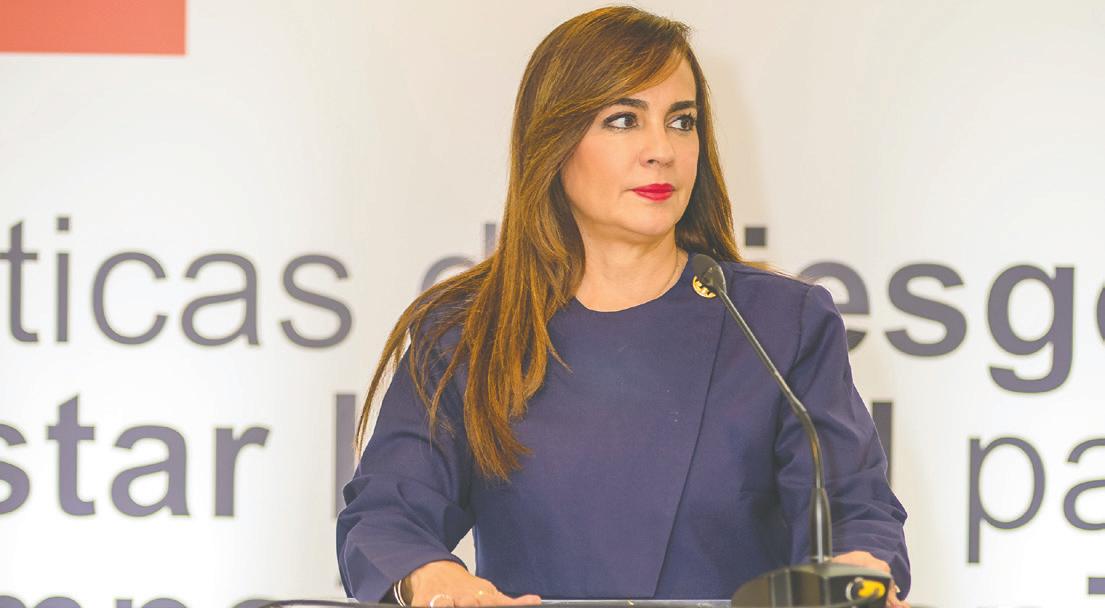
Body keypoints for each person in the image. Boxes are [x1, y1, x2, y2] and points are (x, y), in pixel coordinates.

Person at [337, 6, 910, 607]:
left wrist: (858, 574)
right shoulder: (469, 329)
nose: (661, 150)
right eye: (622, 120)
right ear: (554, 141)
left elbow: (851, 510)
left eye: (682, 121)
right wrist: (440, 583)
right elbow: (387, 515)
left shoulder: (779, 323)